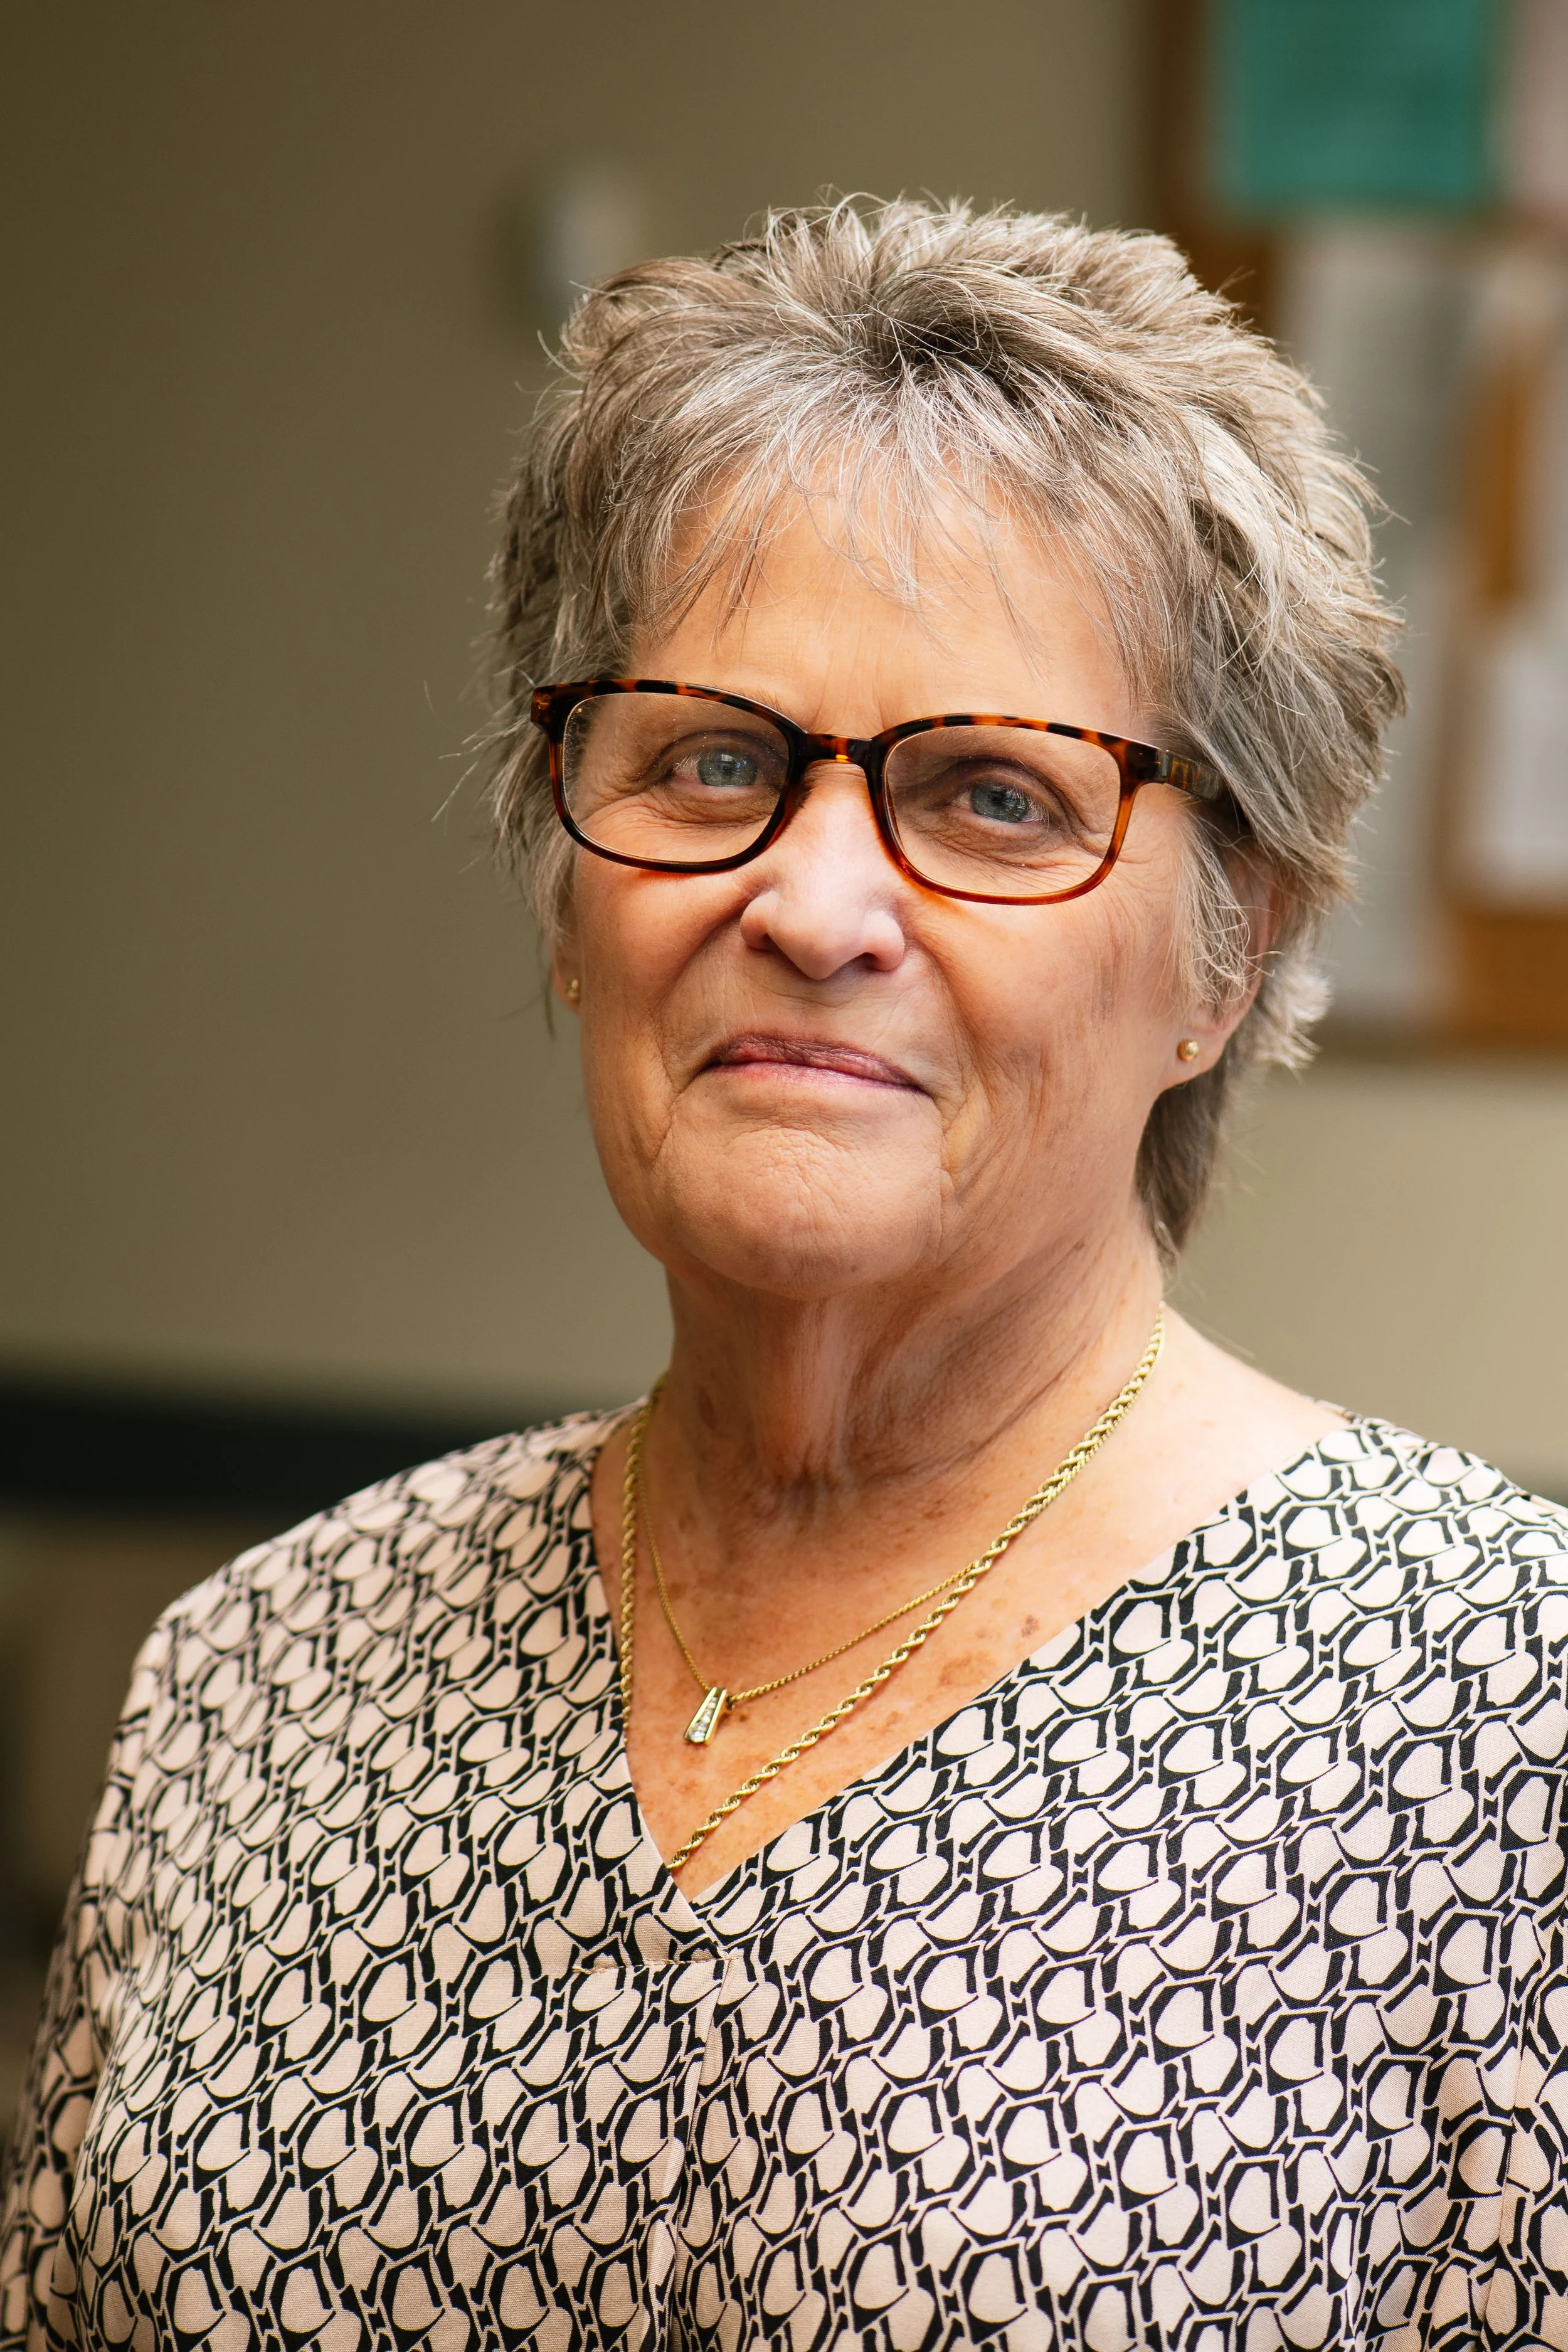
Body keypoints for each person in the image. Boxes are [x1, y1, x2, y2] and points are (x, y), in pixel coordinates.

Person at [4, 198, 1565, 2352]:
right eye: (712, 761)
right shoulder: (257, 1678)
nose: (814, 902)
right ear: (570, 888)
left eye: (994, 795)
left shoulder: (1489, 1720)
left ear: (1231, 954)